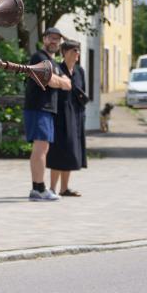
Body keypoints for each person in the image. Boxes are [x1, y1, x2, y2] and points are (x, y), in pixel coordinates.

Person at [23, 28, 72, 201]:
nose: (55, 42)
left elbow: (68, 82)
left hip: (47, 110)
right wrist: (60, 81)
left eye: (57, 40)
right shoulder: (39, 58)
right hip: (38, 108)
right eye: (52, 38)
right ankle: (38, 188)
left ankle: (38, 188)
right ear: (44, 39)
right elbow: (50, 80)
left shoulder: (54, 62)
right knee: (40, 148)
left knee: (43, 148)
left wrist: (59, 81)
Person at [48, 40, 89, 196]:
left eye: (78, 50)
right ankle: (52, 188)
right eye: (73, 50)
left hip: (76, 114)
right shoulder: (58, 69)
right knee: (59, 150)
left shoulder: (80, 71)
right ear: (64, 52)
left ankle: (64, 188)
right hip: (60, 114)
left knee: (72, 150)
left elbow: (82, 92)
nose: (77, 53)